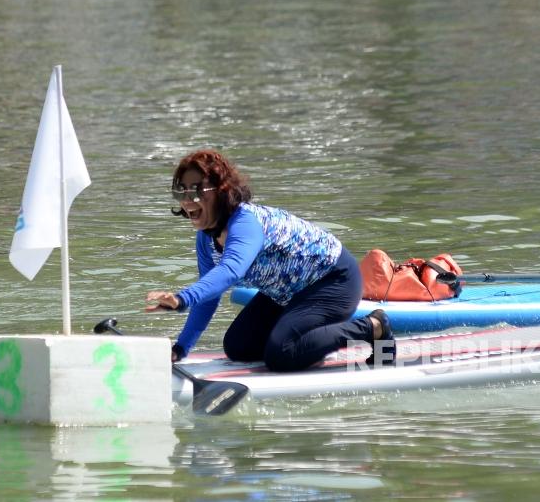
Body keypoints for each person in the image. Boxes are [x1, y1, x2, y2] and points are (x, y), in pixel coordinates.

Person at [145, 149, 396, 372]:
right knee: (238, 347)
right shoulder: (205, 238)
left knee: (282, 354)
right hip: (288, 293)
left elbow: (231, 270)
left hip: (334, 283)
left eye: (197, 190)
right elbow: (210, 294)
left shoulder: (246, 223)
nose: (188, 200)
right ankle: (309, 341)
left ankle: (374, 326)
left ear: (222, 191)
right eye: (182, 191)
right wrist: (181, 348)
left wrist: (182, 299)